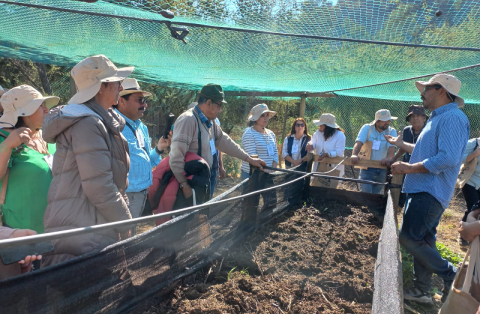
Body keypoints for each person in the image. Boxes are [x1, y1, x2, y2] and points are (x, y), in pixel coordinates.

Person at [42, 55, 134, 267]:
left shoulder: (97, 120)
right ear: (101, 87)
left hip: (90, 223)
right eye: (116, 82)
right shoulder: (88, 124)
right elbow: (99, 185)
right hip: (83, 229)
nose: (121, 86)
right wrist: (124, 221)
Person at [386, 73, 469, 304]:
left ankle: (451, 273)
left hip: (429, 191)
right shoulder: (437, 117)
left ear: (441, 90)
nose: (421, 93)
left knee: (409, 238)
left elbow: (447, 159)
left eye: (426, 89)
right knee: (424, 240)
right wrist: (401, 145)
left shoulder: (452, 117)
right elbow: (426, 153)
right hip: (424, 189)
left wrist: (409, 169)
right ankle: (423, 290)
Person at [170, 84, 265, 202]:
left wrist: (249, 159)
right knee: (187, 220)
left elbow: (224, 141)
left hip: (201, 182)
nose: (221, 110)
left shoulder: (210, 122)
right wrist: (184, 186)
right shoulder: (188, 120)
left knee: (202, 218)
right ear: (209, 103)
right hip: (189, 186)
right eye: (219, 105)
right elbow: (175, 157)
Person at [0, 85, 59, 234]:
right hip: (22, 235)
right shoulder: (4, 138)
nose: (47, 110)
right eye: (40, 106)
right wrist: (7, 146)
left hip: (58, 229)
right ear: (23, 113)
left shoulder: (48, 136)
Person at [116, 78, 171, 234]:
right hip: (124, 196)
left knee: (130, 234)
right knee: (121, 238)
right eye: (139, 100)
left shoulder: (141, 127)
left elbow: (147, 159)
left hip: (141, 194)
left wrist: (159, 149)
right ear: (121, 101)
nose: (144, 104)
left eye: (144, 100)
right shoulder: (112, 126)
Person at [351, 109, 397, 194]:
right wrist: (354, 154)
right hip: (367, 167)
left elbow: (392, 148)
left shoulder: (392, 131)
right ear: (377, 121)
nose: (388, 122)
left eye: (389, 120)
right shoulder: (367, 128)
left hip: (382, 168)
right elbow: (359, 142)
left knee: (376, 194)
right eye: (385, 120)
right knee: (366, 192)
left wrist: (388, 158)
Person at [188, 102, 226, 198]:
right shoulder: (189, 123)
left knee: (208, 198)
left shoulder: (214, 120)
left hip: (213, 166)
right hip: (199, 168)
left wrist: (220, 165)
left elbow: (219, 143)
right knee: (197, 199)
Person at [393, 105, 428, 207]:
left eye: (418, 116)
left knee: (418, 191)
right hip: (407, 164)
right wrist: (394, 158)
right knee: (403, 186)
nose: (415, 118)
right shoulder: (407, 130)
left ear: (424, 118)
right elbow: (403, 147)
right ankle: (399, 207)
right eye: (412, 116)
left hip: (422, 167)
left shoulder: (428, 131)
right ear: (409, 119)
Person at [240, 104, 278, 179]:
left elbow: (275, 155)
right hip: (252, 175)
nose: (266, 118)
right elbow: (252, 158)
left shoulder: (271, 134)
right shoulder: (249, 134)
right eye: (262, 115)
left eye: (267, 115)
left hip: (268, 175)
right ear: (255, 118)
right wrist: (265, 172)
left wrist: (272, 170)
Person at [458, 137, 480, 246]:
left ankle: (472, 235)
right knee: (472, 206)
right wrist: (475, 154)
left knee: (475, 210)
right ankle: (463, 235)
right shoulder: (474, 143)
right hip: (469, 181)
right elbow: (458, 157)